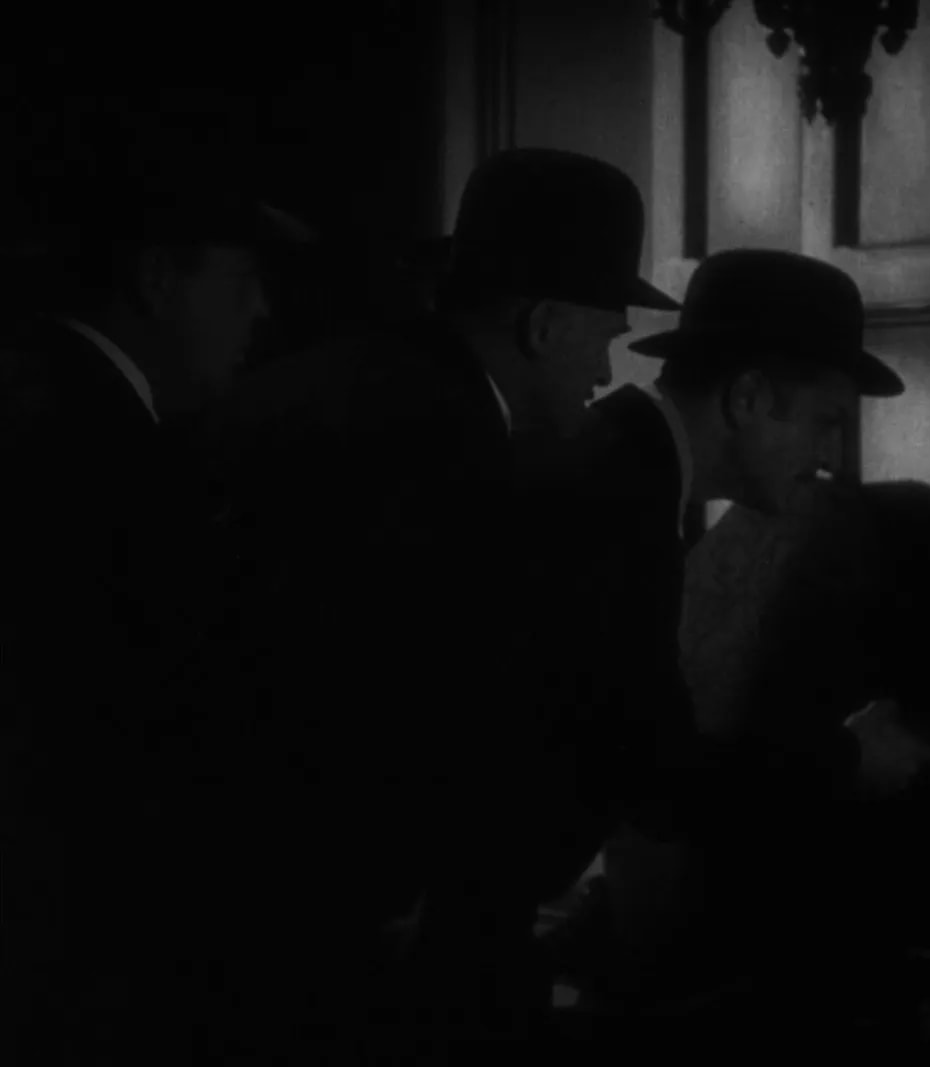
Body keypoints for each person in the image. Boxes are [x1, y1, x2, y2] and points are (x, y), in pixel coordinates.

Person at [211, 147, 679, 1060]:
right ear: (545, 325)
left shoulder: (347, 381)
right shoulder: (439, 438)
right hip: (304, 926)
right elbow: (383, 699)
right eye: (605, 336)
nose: (604, 370)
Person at [536, 249, 930, 1049]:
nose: (830, 455)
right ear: (748, 397)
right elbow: (656, 774)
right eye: (825, 420)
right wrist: (849, 760)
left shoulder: (624, 466)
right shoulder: (621, 495)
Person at [0, 148, 304, 1064]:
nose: (264, 311)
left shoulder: (50, 399)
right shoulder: (99, 451)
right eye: (243, 279)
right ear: (157, 277)